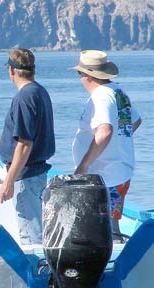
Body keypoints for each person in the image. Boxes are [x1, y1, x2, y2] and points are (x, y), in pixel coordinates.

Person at [0, 48, 55, 245]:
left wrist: (8, 181)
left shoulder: (24, 97)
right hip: (37, 173)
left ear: (11, 71)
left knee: (31, 237)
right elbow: (23, 137)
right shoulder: (39, 92)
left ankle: (39, 274)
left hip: (25, 177)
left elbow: (25, 144)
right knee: (36, 231)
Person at [70, 50, 142, 242]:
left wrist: (83, 166)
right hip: (119, 171)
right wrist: (119, 142)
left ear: (87, 75)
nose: (80, 79)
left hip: (105, 175)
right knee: (111, 223)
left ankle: (109, 265)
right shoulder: (118, 91)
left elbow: (105, 131)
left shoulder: (101, 96)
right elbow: (135, 121)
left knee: (103, 227)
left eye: (80, 74)